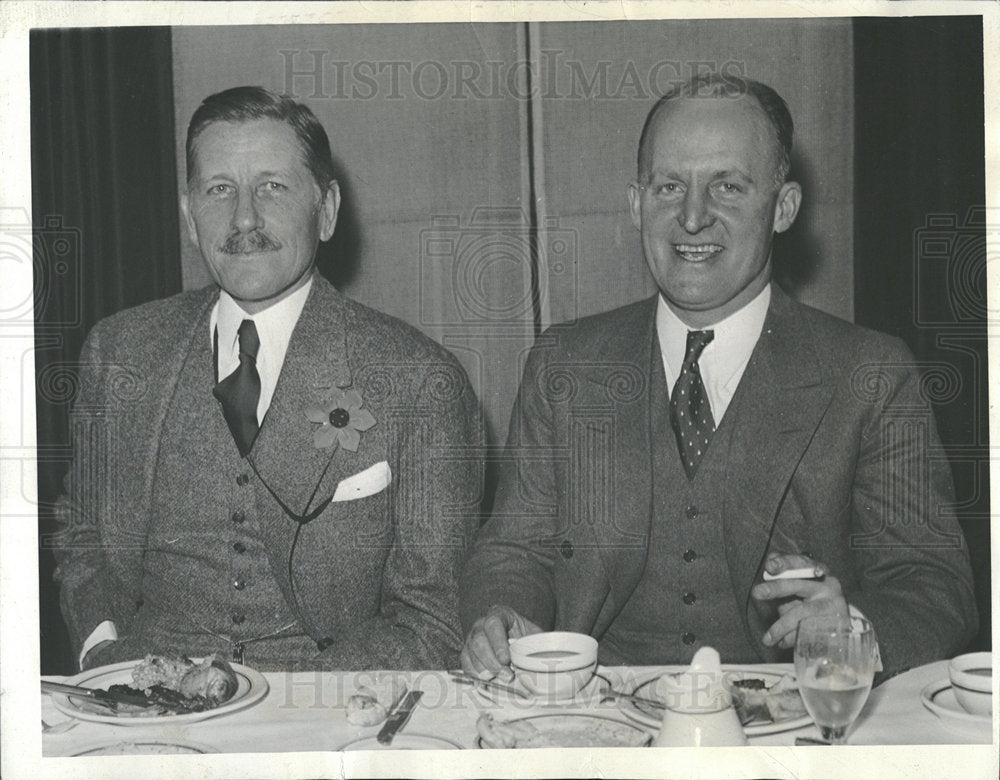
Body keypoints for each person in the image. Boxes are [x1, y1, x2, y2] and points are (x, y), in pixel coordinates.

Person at [459, 75, 976, 680]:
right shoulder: (564, 367)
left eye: (727, 187)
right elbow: (513, 552)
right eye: (669, 186)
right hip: (602, 728)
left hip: (790, 735)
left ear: (783, 208)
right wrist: (502, 615)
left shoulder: (871, 375)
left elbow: (935, 587)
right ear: (635, 204)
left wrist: (854, 630)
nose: (693, 216)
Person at [53, 86, 481, 672]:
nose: (244, 217)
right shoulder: (120, 354)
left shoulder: (420, 382)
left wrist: (287, 711)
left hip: (324, 721)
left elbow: (433, 622)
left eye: (272, 187)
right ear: (189, 214)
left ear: (325, 211)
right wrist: (103, 648)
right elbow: (84, 534)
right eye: (219, 189)